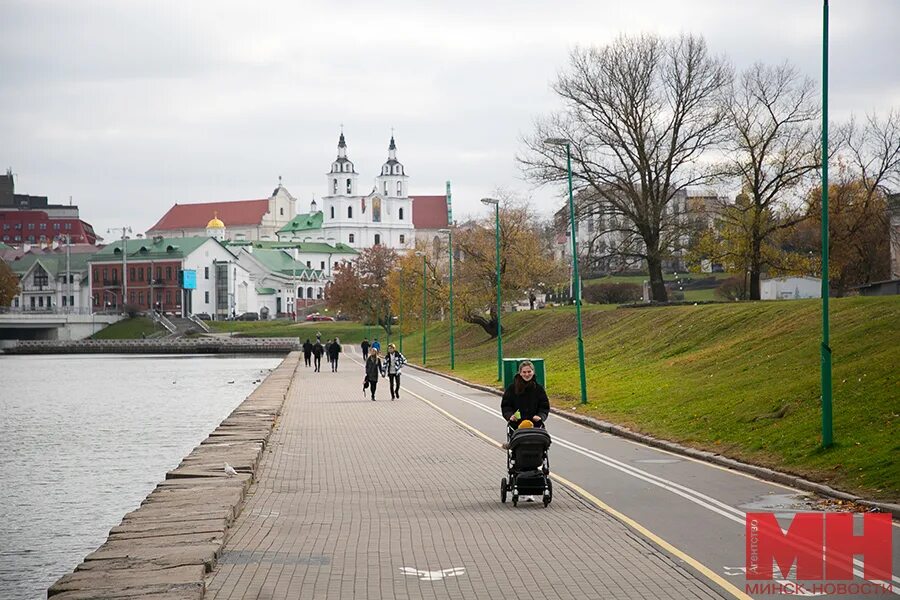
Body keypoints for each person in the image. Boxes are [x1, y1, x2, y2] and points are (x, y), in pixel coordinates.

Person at [501, 360, 550, 430]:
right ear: (520, 373)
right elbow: (506, 406)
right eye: (524, 372)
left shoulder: (539, 389)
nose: (527, 374)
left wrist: (540, 416)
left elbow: (544, 406)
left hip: (535, 424)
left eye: (529, 372)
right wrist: (510, 416)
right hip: (516, 424)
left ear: (533, 372)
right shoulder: (511, 388)